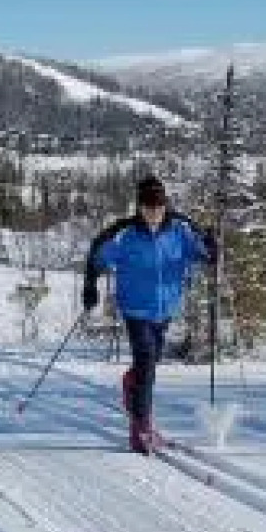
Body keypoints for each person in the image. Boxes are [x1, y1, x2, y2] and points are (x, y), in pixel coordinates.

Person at [81, 175, 217, 454]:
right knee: (146, 363)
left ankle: (132, 386)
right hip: (135, 310)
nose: (153, 212)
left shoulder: (180, 233)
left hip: (165, 310)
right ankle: (141, 428)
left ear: (165, 206)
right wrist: (90, 286)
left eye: (158, 206)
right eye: (147, 206)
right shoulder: (127, 237)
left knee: (149, 364)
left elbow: (204, 255)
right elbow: (97, 258)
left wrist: (211, 245)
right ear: (139, 207)